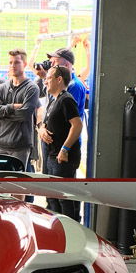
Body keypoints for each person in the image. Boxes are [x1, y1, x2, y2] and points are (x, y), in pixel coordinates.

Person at [37, 65, 83, 220]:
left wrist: (65, 149)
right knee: (51, 197)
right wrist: (42, 129)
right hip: (51, 156)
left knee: (63, 198)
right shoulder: (53, 100)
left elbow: (77, 125)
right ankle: (55, 228)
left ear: (59, 79)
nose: (45, 82)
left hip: (61, 158)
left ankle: (69, 230)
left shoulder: (66, 100)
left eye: (48, 78)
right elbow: (45, 121)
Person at [0, 49, 40, 170]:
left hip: (20, 147)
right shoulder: (1, 88)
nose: (12, 65)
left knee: (15, 183)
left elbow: (24, 115)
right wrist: (12, 107)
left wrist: (2, 113)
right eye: (10, 62)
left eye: (16, 62)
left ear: (25, 64)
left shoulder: (32, 88)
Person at [47, 47, 88, 113]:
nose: (51, 65)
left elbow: (68, 116)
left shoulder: (74, 86)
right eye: (51, 62)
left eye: (55, 62)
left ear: (66, 65)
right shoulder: (60, 82)